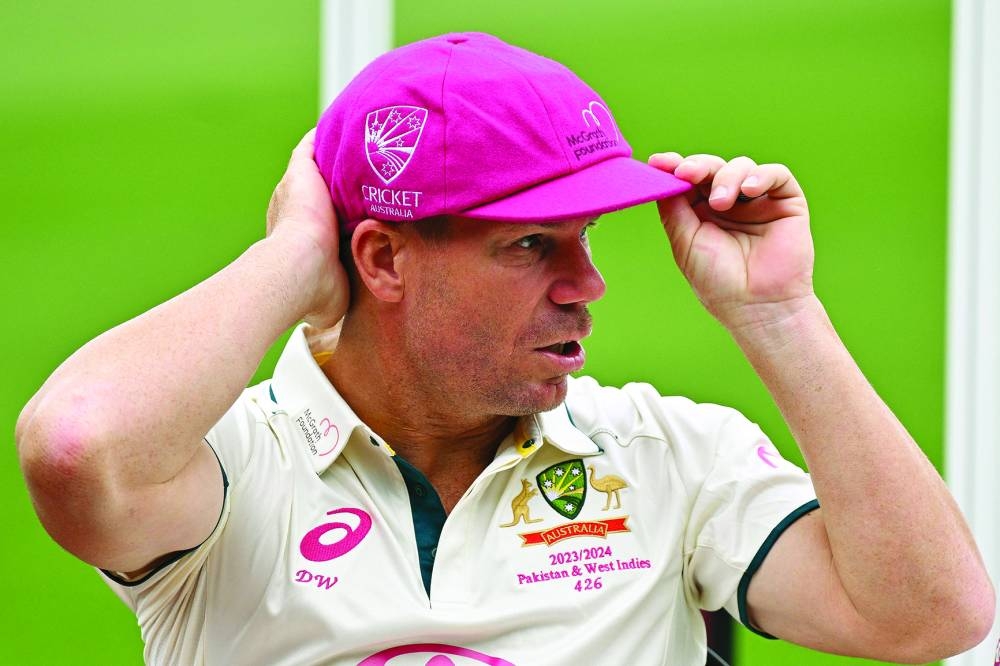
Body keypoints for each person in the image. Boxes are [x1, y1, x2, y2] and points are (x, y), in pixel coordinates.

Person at [15, 31, 994, 665]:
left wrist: (779, 316)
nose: (587, 283)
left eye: (585, 238)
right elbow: (74, 445)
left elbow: (928, 615)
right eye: (532, 245)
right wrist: (292, 260)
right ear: (383, 259)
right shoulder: (231, 470)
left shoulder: (667, 457)